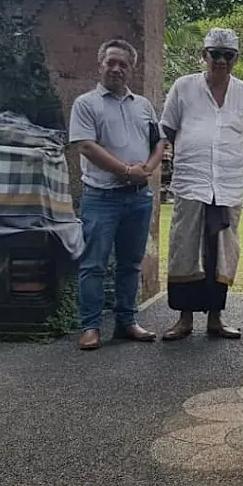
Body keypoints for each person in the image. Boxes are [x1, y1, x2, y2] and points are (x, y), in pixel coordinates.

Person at [159, 28, 243, 341]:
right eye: (214, 54)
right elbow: (166, 128)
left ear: (236, 59)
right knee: (186, 249)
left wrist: (232, 156)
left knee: (221, 251)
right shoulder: (184, 87)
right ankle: (184, 319)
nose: (220, 60)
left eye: (227, 55)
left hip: (228, 186)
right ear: (204, 55)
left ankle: (216, 319)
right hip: (191, 182)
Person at [69, 39, 166, 350]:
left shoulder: (144, 106)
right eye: (111, 62)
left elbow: (159, 142)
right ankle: (91, 326)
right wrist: (126, 170)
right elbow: (86, 146)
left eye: (123, 64)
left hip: (138, 197)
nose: (116, 68)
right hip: (101, 197)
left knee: (131, 263)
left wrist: (147, 169)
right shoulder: (87, 104)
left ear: (131, 69)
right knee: (93, 264)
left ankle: (127, 321)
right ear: (101, 64)